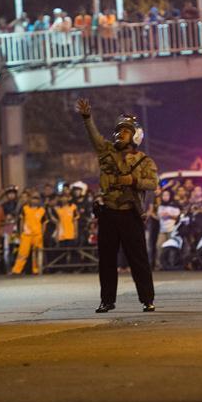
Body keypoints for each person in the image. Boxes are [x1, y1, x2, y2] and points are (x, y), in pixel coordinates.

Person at [76, 98, 158, 313]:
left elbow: (153, 183)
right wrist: (87, 118)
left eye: (125, 131)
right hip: (108, 213)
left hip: (130, 214)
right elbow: (94, 137)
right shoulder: (106, 153)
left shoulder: (144, 160)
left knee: (138, 259)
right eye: (119, 131)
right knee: (106, 261)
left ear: (134, 136)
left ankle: (147, 299)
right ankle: (107, 300)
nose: (120, 134)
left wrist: (134, 181)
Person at [11, 193, 47, 275]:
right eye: (33, 198)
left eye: (37, 198)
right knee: (22, 253)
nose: (35, 200)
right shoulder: (25, 209)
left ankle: (36, 270)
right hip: (26, 234)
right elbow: (22, 221)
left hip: (37, 235)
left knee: (36, 253)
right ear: (30, 199)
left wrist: (42, 233)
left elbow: (44, 223)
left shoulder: (42, 210)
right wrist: (20, 232)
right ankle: (17, 270)